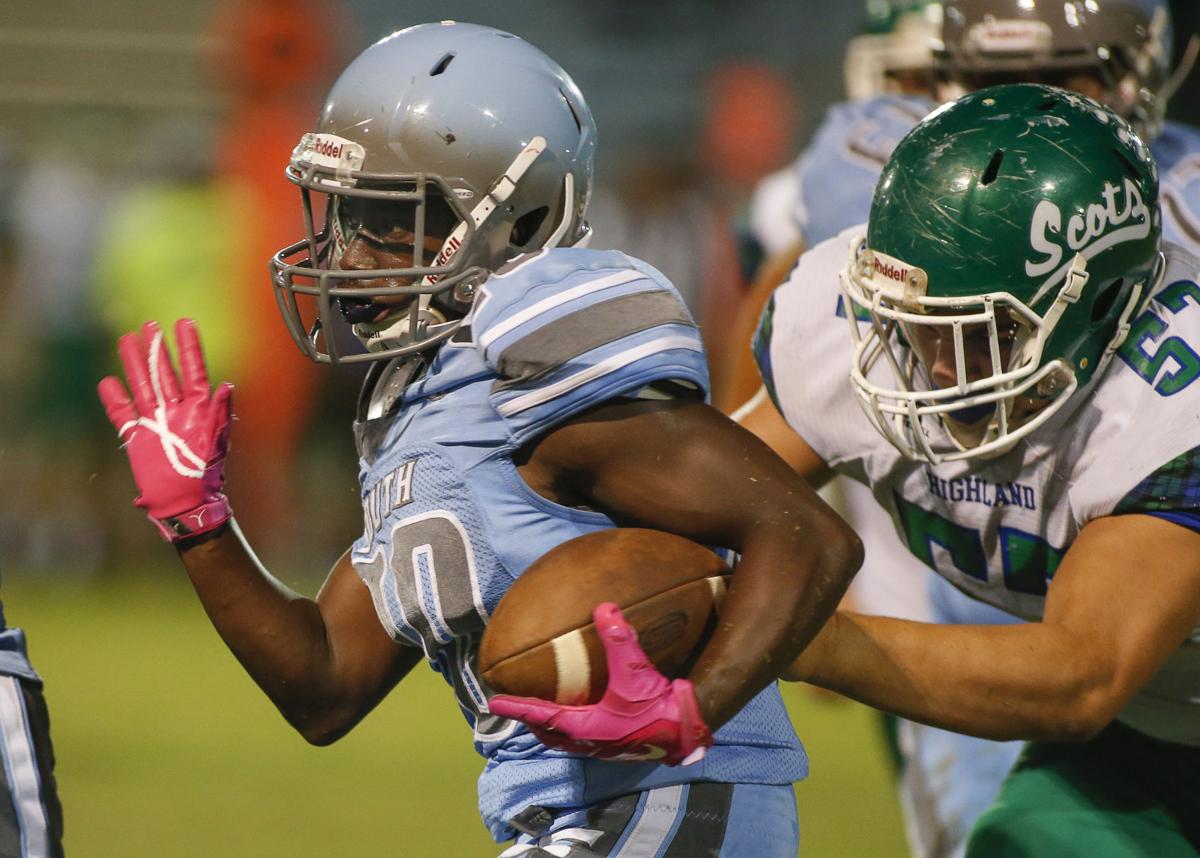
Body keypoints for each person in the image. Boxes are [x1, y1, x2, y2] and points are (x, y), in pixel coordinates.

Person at [96, 22, 861, 857]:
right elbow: (323, 687)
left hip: (667, 801)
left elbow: (805, 534)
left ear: (514, 218)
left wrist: (695, 707)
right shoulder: (422, 399)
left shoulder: (542, 349)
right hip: (565, 819)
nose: (347, 251)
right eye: (345, 214)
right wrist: (197, 521)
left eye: (389, 220)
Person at [733, 2, 1200, 854]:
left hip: (1130, 701)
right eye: (920, 324)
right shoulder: (856, 307)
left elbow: (1080, 674)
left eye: (981, 332)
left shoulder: (1171, 401)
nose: (936, 368)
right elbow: (712, 491)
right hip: (1148, 738)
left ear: (1098, 308)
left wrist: (797, 632)